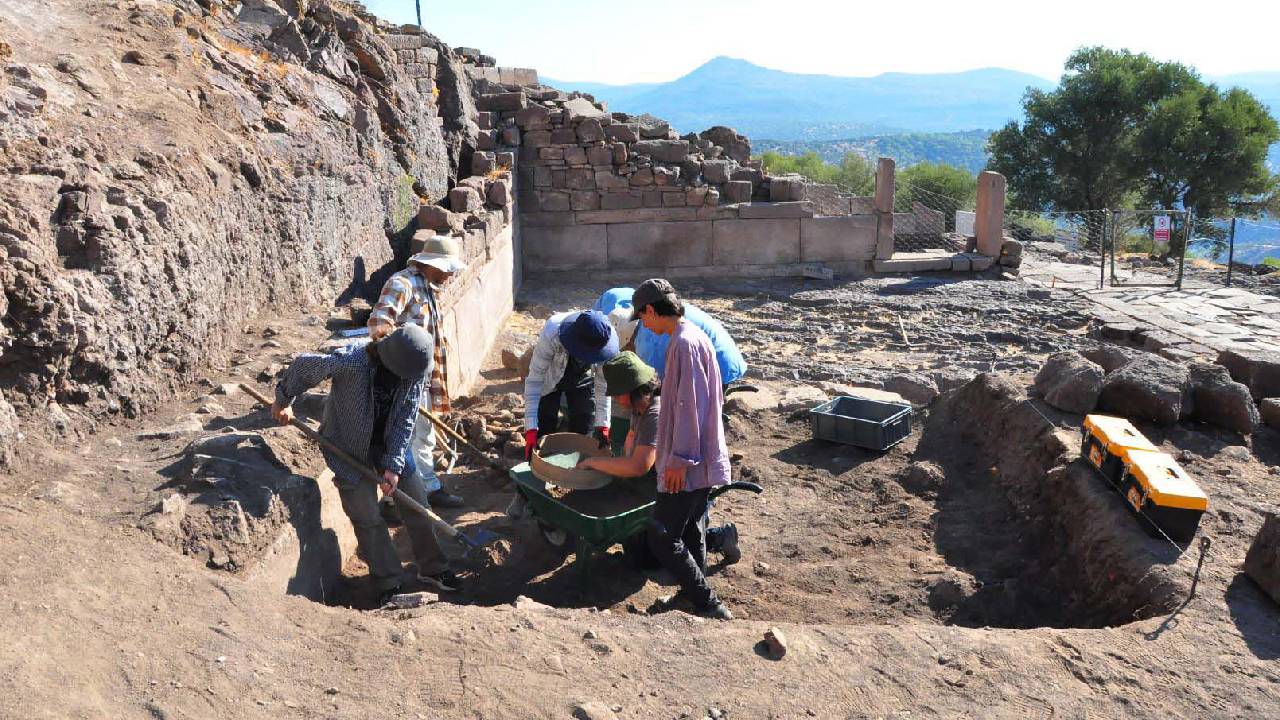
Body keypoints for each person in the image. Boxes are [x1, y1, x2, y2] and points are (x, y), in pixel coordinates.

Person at [271, 325, 461, 604]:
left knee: (417, 504)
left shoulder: (414, 371)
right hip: (348, 444)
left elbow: (406, 416)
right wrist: (283, 400)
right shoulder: (352, 361)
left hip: (389, 441)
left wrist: (393, 465)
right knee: (367, 516)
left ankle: (434, 568)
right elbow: (303, 366)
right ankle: (389, 582)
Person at [631, 278, 733, 620]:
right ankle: (693, 597)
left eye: (642, 317)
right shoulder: (690, 336)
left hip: (688, 460)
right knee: (689, 528)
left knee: (662, 536)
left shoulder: (684, 344)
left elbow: (689, 406)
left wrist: (679, 459)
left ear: (650, 310)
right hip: (701, 456)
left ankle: (707, 602)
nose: (643, 324)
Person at [578, 351, 740, 564]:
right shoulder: (640, 406)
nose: (616, 399)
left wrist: (593, 462)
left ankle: (720, 537)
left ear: (633, 389)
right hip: (662, 477)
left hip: (684, 481)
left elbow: (638, 466)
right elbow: (632, 438)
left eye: (618, 394)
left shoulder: (655, 412)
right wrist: (615, 462)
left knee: (657, 553)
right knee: (638, 551)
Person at [367, 235, 466, 509]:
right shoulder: (402, 284)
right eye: (447, 268)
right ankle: (394, 502)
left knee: (423, 435)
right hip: (402, 381)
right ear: (432, 264)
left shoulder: (428, 288)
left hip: (421, 382)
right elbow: (378, 325)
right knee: (400, 441)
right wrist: (399, 365)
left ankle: (429, 488)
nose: (449, 274)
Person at [593, 287, 746, 385]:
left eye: (625, 349)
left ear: (630, 340)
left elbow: (657, 388)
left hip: (720, 371)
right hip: (726, 353)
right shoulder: (619, 299)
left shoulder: (651, 344)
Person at [522, 310, 619, 459]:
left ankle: (576, 468)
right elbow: (534, 381)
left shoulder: (605, 341)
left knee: (584, 425)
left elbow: (603, 386)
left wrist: (603, 426)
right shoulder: (552, 334)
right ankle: (541, 466)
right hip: (550, 376)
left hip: (583, 377)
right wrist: (530, 429)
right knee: (544, 425)